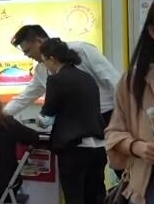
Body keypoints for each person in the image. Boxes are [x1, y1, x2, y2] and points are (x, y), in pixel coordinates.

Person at [106, 0, 154, 204]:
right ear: (153, 31)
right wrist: (138, 147)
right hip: (149, 187)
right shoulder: (134, 81)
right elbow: (114, 133)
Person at [4, 24, 121, 125]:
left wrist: (125, 114)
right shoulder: (41, 70)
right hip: (75, 125)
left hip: (106, 116)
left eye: (28, 50)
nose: (27, 55)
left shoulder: (81, 50)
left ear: (39, 41)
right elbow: (24, 98)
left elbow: (114, 80)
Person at [37, 38, 106, 204]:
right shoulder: (88, 78)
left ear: (52, 59)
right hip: (98, 147)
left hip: (74, 149)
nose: (45, 66)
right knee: (96, 195)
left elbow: (46, 117)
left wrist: (39, 121)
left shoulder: (56, 80)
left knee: (74, 197)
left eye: (44, 62)